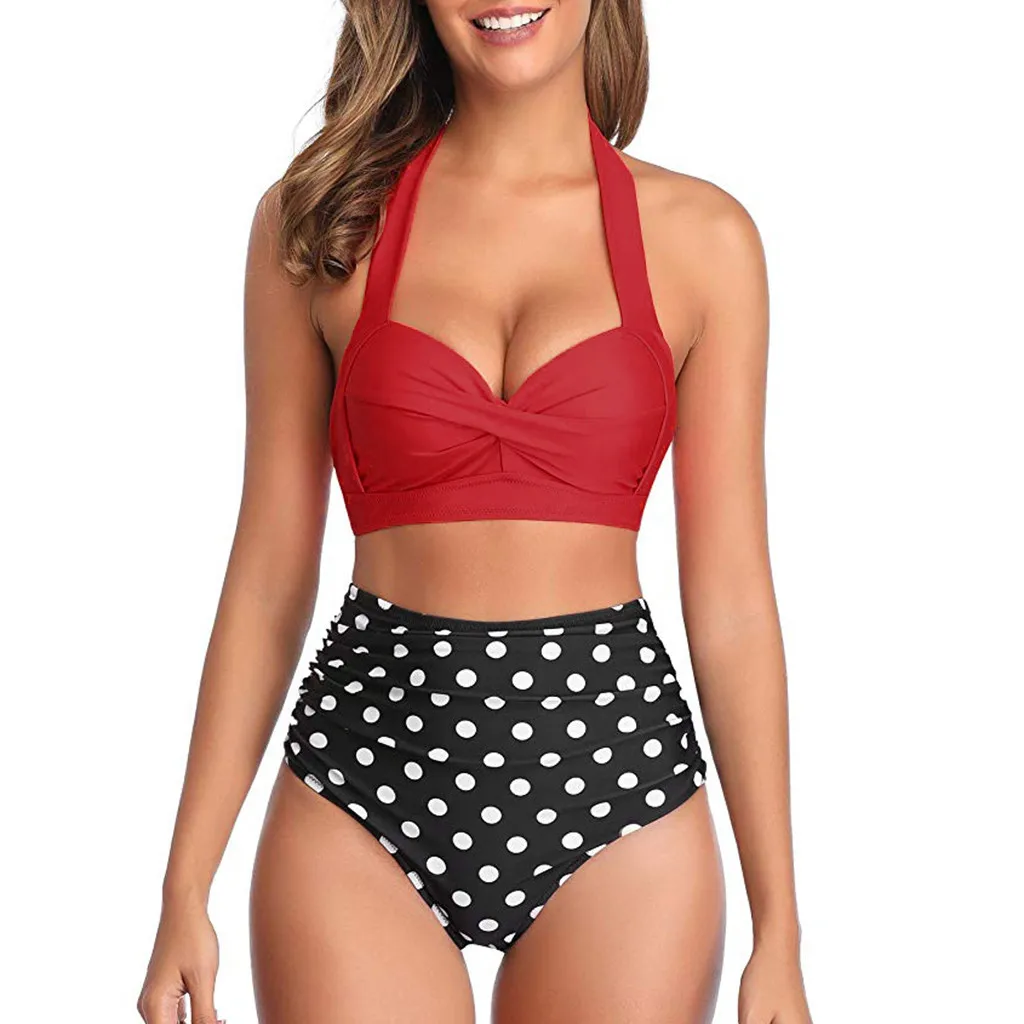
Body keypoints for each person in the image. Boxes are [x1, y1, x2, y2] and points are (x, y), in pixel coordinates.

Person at [138, 2, 813, 1022]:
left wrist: (781, 929)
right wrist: (184, 885)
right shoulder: (321, 222)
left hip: (617, 787)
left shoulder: (705, 240)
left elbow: (731, 603)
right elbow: (270, 574)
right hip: (360, 786)